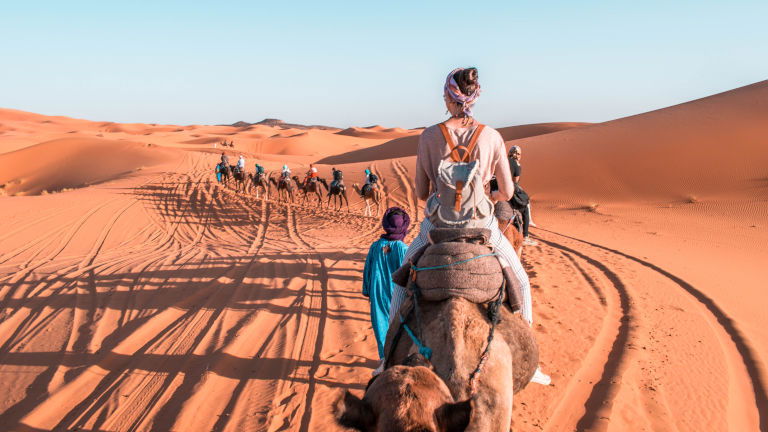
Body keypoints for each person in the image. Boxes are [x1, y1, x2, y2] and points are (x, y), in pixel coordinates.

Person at [387, 66, 549, 385]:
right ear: (475, 97)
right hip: (483, 229)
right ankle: (532, 366)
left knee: (398, 284)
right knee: (520, 280)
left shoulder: (430, 136)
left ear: (448, 96)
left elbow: (421, 192)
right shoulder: (491, 136)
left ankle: (385, 359)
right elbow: (507, 192)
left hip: (435, 230)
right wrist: (484, 191)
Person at [363, 207, 410, 371]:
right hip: (399, 292)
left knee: (380, 323)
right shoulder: (403, 249)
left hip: (378, 291)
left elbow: (368, 269)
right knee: (400, 324)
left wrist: (367, 290)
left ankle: (385, 358)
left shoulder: (375, 247)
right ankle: (395, 358)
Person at [508, 146, 537, 246]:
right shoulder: (516, 164)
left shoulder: (504, 160)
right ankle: (525, 235)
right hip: (507, 187)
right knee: (526, 202)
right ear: (518, 155)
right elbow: (515, 181)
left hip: (493, 187)